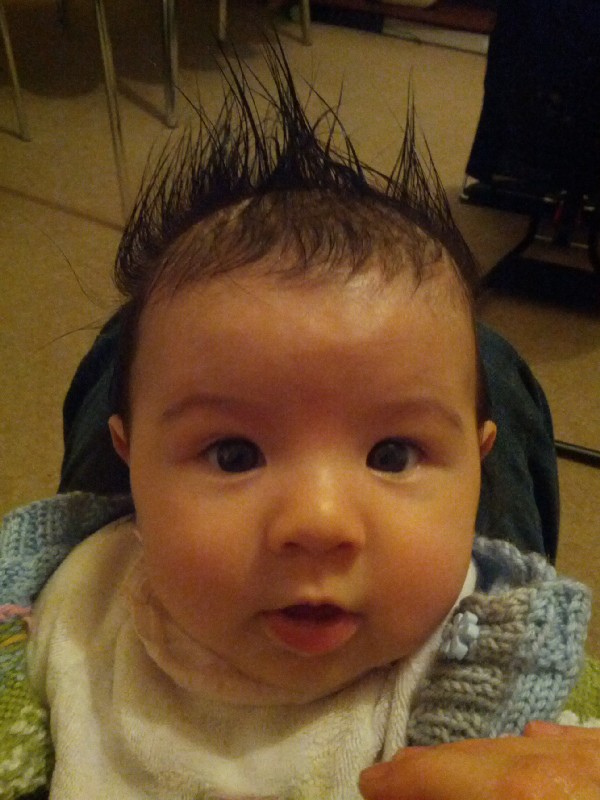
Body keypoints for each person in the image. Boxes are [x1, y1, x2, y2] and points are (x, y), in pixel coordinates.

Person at [0, 40, 598, 800]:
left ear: (481, 469)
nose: (318, 523)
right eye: (233, 454)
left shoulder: (510, 666)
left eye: (391, 453)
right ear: (129, 463)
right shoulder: (71, 610)